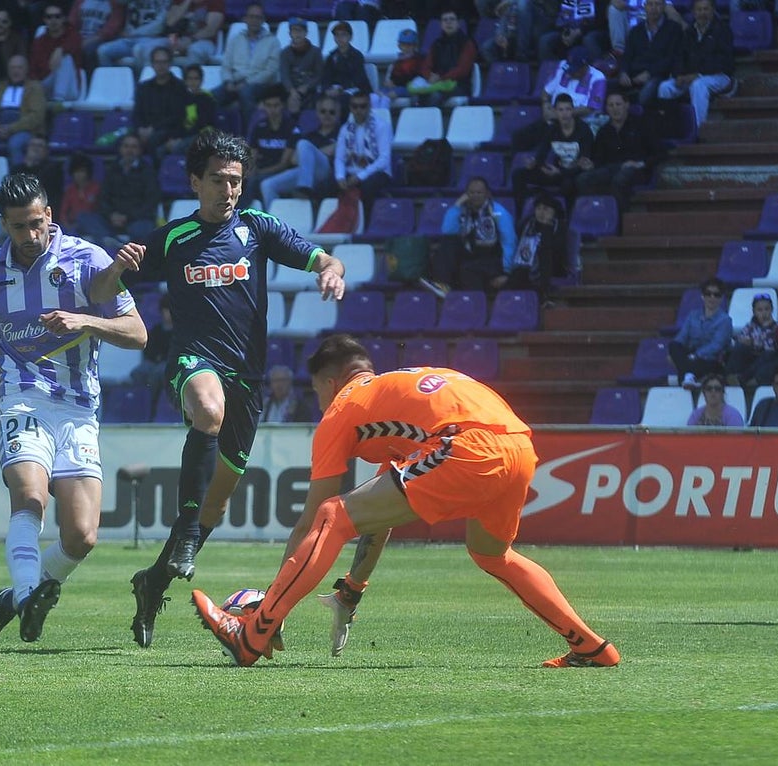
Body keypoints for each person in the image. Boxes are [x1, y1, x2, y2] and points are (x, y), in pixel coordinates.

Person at [191, 333, 621, 668]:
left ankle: (250, 636)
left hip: (466, 447)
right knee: (493, 554)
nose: (320, 402)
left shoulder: (343, 407)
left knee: (330, 514)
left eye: (318, 391)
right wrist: (351, 590)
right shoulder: (395, 394)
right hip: (519, 448)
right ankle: (591, 646)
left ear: (330, 382)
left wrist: (272, 607)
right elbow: (380, 514)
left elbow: (312, 523)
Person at [106, 129, 346, 648]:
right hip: (193, 361)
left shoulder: (258, 229)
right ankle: (186, 532)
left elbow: (324, 258)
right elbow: (108, 283)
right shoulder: (173, 238)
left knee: (215, 506)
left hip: (248, 380)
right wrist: (116, 268)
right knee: (208, 410)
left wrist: (332, 271)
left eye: (235, 180)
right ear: (195, 182)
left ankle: (153, 582)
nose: (228, 189)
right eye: (217, 179)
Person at [0, 172, 148, 650]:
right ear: (4, 224)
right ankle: (29, 596)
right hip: (21, 396)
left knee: (82, 536)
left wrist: (84, 320)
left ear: (49, 215)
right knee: (29, 497)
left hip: (79, 407)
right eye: (18, 227)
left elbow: (138, 334)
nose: (30, 235)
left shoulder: (89, 260)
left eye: (36, 223)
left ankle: (11, 600)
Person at [576, 87, 664, 211]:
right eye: (611, 105)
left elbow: (660, 153)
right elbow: (599, 159)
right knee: (583, 179)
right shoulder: (604, 131)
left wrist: (640, 163)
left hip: (636, 169)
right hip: (611, 169)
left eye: (618, 104)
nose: (615, 108)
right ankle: (596, 214)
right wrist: (591, 165)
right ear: (606, 108)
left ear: (626, 105)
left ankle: (620, 218)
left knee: (620, 179)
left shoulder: (642, 125)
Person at [511, 93, 594, 217]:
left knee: (568, 185)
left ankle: (566, 220)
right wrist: (536, 164)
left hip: (574, 175)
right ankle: (521, 215)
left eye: (568, 109)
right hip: (557, 172)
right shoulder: (552, 129)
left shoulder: (584, 130)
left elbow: (583, 164)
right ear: (555, 112)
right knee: (518, 175)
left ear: (573, 111)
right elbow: (541, 154)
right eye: (560, 110)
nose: (564, 114)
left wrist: (561, 172)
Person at [431, 176, 516, 294]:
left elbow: (509, 242)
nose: (475, 196)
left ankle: (474, 299)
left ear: (487, 194)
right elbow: (448, 231)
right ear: (466, 194)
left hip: (492, 257)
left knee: (468, 268)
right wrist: (457, 205)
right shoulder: (462, 209)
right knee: (447, 243)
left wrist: (506, 271)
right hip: (471, 253)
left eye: (479, 192)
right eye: (471, 192)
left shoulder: (498, 212)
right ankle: (442, 287)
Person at [77, 131, 160, 251]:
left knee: (144, 228)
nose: (129, 150)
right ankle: (113, 241)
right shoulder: (112, 169)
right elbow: (103, 198)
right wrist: (111, 215)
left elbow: (150, 202)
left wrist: (127, 217)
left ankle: (111, 240)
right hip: (111, 219)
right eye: (126, 146)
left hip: (136, 220)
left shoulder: (148, 172)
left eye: (134, 147)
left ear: (140, 150)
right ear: (120, 149)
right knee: (83, 218)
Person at [656, 0, 734, 128]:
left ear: (712, 10)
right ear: (693, 12)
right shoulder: (689, 32)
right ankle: (667, 128)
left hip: (720, 75)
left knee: (698, 85)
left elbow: (723, 61)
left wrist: (698, 74)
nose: (702, 13)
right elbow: (679, 57)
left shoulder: (723, 30)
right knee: (665, 87)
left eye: (705, 9)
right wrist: (678, 75)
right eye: (699, 9)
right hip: (691, 76)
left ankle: (697, 129)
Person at [259, 94, 341, 205]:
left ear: (338, 114)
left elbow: (340, 150)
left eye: (332, 112)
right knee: (267, 185)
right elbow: (293, 159)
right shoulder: (310, 135)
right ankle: (272, 217)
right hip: (306, 172)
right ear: (317, 113)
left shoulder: (342, 134)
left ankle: (304, 188)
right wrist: (316, 153)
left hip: (328, 172)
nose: (327, 115)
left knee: (304, 145)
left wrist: (309, 155)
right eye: (323, 111)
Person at [214, 3, 279, 126]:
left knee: (246, 92)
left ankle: (250, 132)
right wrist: (228, 81)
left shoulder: (272, 41)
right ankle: (216, 132)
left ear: (263, 20)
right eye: (251, 17)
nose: (254, 20)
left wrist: (247, 82)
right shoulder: (236, 40)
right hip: (234, 82)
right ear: (245, 19)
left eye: (258, 17)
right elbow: (226, 65)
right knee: (212, 97)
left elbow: (271, 71)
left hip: (260, 84)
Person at [334, 91, 392, 217]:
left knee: (368, 186)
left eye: (363, 106)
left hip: (377, 172)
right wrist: (340, 177)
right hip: (352, 172)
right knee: (328, 183)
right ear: (350, 108)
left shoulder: (382, 126)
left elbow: (384, 160)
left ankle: (366, 222)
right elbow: (339, 158)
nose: (358, 110)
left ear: (369, 106)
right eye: (355, 106)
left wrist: (361, 176)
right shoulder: (345, 129)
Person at [669, 276, 732, 389]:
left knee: (687, 363)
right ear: (703, 296)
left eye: (716, 294)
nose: (712, 297)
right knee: (673, 345)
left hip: (710, 360)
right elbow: (681, 337)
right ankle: (688, 375)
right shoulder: (693, 315)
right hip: (690, 355)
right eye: (708, 294)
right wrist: (684, 355)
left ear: (721, 298)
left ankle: (686, 376)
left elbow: (716, 345)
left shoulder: (725, 320)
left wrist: (696, 355)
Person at [505, 192, 567, 303]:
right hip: (527, 264)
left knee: (542, 257)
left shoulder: (560, 227)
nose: (541, 212)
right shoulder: (527, 224)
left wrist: (546, 228)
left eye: (546, 209)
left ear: (554, 212)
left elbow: (556, 251)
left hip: (552, 265)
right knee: (517, 274)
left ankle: (540, 298)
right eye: (538, 208)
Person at [618, 0, 682, 106]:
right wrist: (623, 72)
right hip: (633, 76)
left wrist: (649, 73)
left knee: (647, 91)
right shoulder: (635, 31)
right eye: (650, 4)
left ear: (664, 6)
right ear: (645, 7)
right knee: (610, 87)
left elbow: (672, 58)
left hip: (658, 76)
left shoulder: (674, 29)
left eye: (657, 4)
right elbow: (627, 56)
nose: (654, 8)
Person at [133, 46, 191, 159]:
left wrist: (153, 128)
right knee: (125, 141)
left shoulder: (180, 87)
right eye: (157, 62)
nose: (161, 66)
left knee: (154, 140)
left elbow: (177, 116)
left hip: (170, 131)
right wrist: (140, 128)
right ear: (152, 64)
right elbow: (137, 113)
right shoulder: (143, 87)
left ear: (170, 64)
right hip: (145, 130)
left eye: (164, 62)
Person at [416, 9, 477, 106]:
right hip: (437, 84)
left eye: (452, 19)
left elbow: (463, 70)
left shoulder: (467, 43)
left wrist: (441, 78)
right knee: (416, 96)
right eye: (445, 20)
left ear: (458, 23)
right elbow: (426, 66)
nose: (448, 22)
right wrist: (429, 76)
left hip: (459, 85)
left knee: (434, 96)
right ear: (441, 24)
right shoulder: (436, 44)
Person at [29, 3, 82, 104]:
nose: (53, 20)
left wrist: (61, 50)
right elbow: (32, 69)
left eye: (57, 16)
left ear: (64, 19)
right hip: (46, 86)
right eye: (49, 17)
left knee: (66, 59)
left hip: (69, 88)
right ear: (44, 20)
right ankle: (56, 102)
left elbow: (75, 43)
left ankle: (58, 101)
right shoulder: (39, 42)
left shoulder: (73, 35)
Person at [726, 291, 777, 387]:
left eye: (767, 309)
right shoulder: (750, 326)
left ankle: (742, 378)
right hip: (750, 356)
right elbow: (741, 340)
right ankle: (730, 376)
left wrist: (755, 340)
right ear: (754, 312)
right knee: (739, 348)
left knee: (769, 355)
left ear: (772, 310)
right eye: (760, 310)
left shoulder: (776, 328)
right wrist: (750, 343)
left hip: (764, 360)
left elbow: (770, 348)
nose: (764, 313)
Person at [161, 0, 226, 69]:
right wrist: (187, 2)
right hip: (178, 39)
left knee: (195, 50)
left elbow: (210, 30)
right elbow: (170, 22)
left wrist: (191, 40)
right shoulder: (179, 1)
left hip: (204, 40)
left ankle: (192, 74)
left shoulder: (215, 2)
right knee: (160, 47)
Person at [129, 292, 172, 392]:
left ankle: (155, 400)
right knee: (137, 372)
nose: (167, 314)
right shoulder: (156, 330)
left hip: (169, 363)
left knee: (158, 373)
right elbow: (148, 349)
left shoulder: (178, 332)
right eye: (165, 310)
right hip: (153, 362)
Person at [280, 16, 322, 116]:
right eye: (294, 30)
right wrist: (291, 90)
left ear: (306, 33)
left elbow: (319, 75)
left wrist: (307, 87)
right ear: (290, 33)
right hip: (290, 90)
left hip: (309, 89)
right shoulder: (285, 53)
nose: (297, 34)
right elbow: (284, 75)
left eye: (300, 30)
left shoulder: (315, 52)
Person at [320, 20, 371, 102]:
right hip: (335, 91)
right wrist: (327, 90)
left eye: (343, 35)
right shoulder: (332, 57)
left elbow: (359, 80)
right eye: (337, 35)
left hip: (354, 90)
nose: (340, 38)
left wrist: (340, 88)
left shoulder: (357, 56)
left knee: (343, 99)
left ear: (350, 37)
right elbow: (326, 78)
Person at [12, 133, 65, 210]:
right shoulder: (17, 169)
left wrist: (31, 165)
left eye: (40, 146)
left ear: (46, 151)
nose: (35, 148)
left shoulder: (54, 169)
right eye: (33, 145)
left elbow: (39, 188)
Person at [58, 152, 100, 232]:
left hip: (92, 226)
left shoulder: (97, 188)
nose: (78, 174)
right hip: (73, 226)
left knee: (82, 217)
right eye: (76, 172)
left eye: (82, 171)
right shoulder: (70, 190)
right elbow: (63, 212)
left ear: (88, 172)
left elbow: (99, 212)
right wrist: (67, 225)